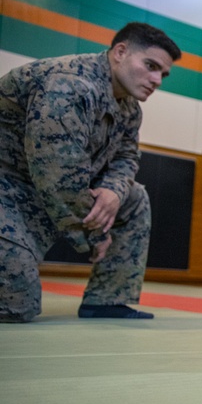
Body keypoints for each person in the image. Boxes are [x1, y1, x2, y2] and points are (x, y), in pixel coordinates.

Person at [0, 22, 181, 322]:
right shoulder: (68, 85)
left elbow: (126, 158)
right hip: (10, 189)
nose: (157, 80)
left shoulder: (130, 109)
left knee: (134, 198)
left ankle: (108, 300)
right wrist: (95, 236)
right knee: (16, 305)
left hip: (47, 188)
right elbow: (58, 177)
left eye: (162, 73)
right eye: (150, 66)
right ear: (120, 52)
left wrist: (113, 190)